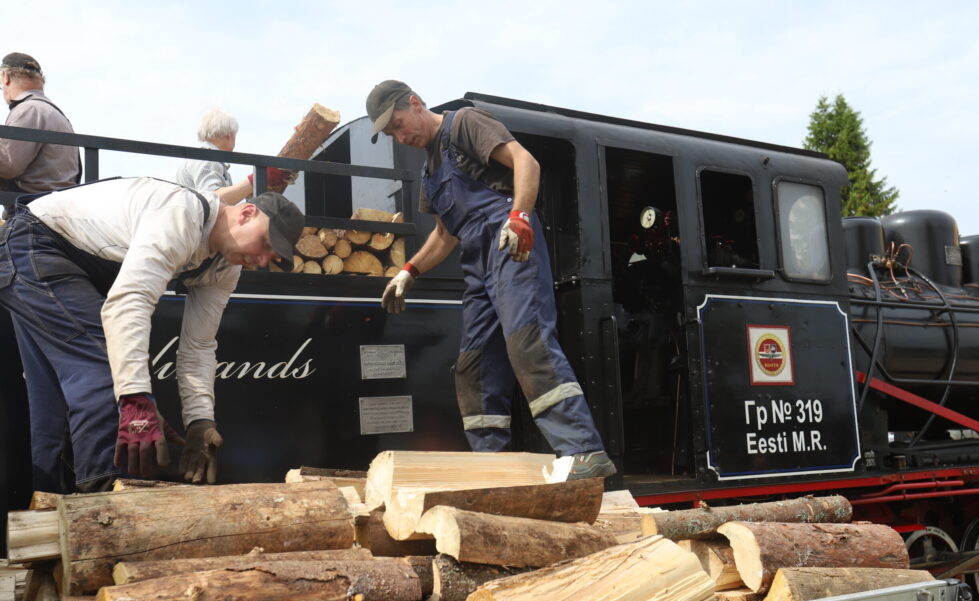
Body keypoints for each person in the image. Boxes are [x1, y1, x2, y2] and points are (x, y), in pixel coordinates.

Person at [366, 80, 616, 480]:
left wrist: (519, 217)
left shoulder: (464, 123)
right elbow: (444, 235)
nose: (400, 136)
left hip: (510, 241)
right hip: (476, 263)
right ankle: (493, 464)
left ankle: (584, 451)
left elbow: (525, 162)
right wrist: (409, 270)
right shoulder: (430, 172)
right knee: (474, 366)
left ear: (414, 103)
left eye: (398, 124)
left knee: (527, 343)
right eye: (392, 133)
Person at [0, 177, 304, 492]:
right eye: (266, 244)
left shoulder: (226, 268)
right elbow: (129, 302)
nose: (265, 260)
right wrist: (135, 399)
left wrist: (200, 421)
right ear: (246, 214)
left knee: (54, 403)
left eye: (273, 257)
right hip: (33, 244)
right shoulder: (181, 216)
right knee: (108, 371)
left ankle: (48, 514)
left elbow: (198, 345)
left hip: (57, 263)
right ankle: (107, 513)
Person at [0, 52, 79, 216]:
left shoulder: (29, 109)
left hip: (33, 214)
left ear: (6, 77)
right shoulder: (53, 112)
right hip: (54, 209)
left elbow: (8, 166)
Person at [176, 107, 292, 206]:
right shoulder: (208, 159)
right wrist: (255, 180)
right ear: (229, 135)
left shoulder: (205, 158)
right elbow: (213, 201)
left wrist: (250, 192)